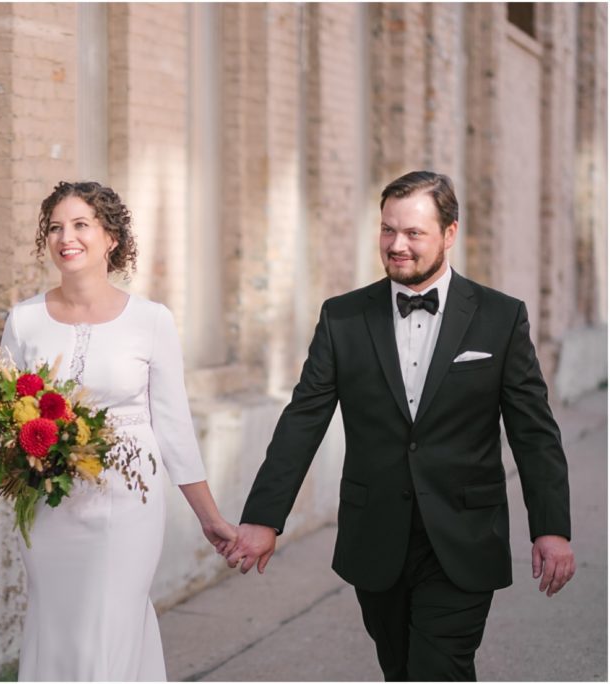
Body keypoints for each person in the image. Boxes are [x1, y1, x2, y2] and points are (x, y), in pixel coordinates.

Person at [224, 171, 575, 681]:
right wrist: (263, 517)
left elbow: (533, 431)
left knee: (439, 669)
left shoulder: (500, 318)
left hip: (464, 534)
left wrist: (551, 527)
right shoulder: (343, 317)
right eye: (388, 230)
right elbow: (304, 419)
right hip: (376, 537)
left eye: (413, 233)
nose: (397, 245)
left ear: (450, 233)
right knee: (401, 669)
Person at [0, 180, 237, 681]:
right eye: (56, 227)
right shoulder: (23, 321)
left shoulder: (150, 321)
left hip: (130, 495)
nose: (67, 236)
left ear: (110, 238)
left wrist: (209, 517)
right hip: (50, 500)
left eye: (81, 224)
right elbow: (3, 417)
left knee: (115, 618)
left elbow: (173, 427)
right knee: (57, 617)